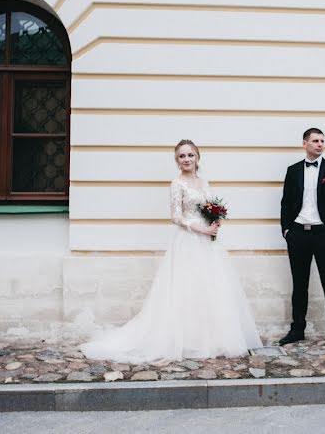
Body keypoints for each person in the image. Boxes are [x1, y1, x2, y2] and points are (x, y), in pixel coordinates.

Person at [79, 139, 262, 363]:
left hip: (208, 242)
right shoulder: (177, 184)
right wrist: (200, 228)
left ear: (197, 158)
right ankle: (183, 339)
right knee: (184, 288)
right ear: (177, 161)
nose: (187, 160)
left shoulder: (204, 182)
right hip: (188, 240)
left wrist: (214, 222)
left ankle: (208, 338)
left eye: (190, 155)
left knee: (210, 287)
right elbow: (176, 216)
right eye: (182, 156)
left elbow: (210, 208)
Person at [279, 128, 325, 351]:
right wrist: (286, 231)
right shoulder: (293, 171)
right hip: (298, 233)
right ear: (304, 143)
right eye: (315, 141)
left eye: (322, 141)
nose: (320, 144)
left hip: (324, 235)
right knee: (299, 285)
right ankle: (297, 329)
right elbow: (286, 203)